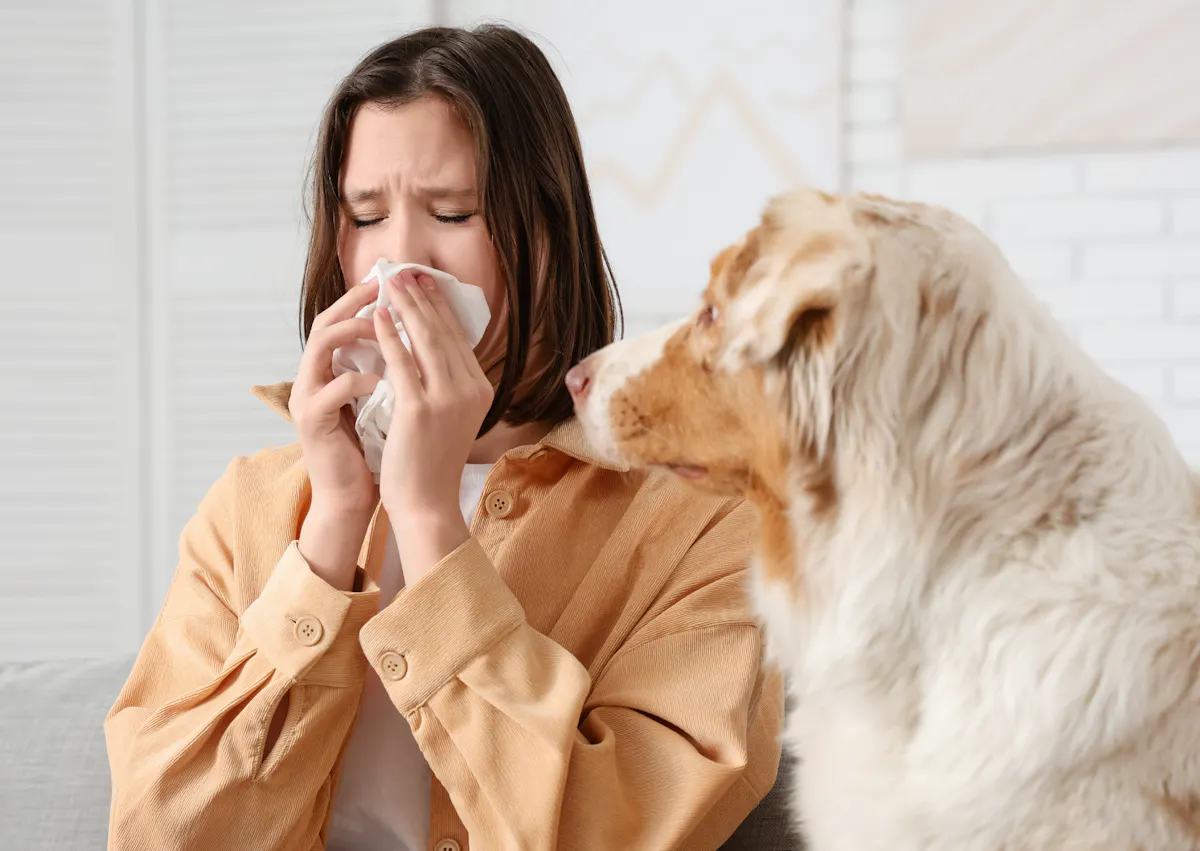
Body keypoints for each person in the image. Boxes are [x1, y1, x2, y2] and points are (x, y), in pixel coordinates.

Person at [105, 24, 781, 851]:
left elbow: (617, 834)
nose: (402, 263)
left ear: (547, 230)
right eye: (365, 216)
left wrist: (428, 521)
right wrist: (332, 529)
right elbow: (161, 834)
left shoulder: (703, 521)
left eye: (453, 212)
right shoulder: (250, 505)